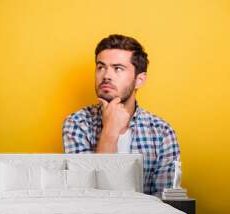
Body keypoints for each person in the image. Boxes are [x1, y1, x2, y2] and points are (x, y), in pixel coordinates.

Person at [62, 34, 180, 196]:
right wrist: (110, 130)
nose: (106, 76)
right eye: (101, 67)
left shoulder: (161, 132)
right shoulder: (77, 124)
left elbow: (165, 204)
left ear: (139, 80)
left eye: (118, 68)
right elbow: (86, 195)